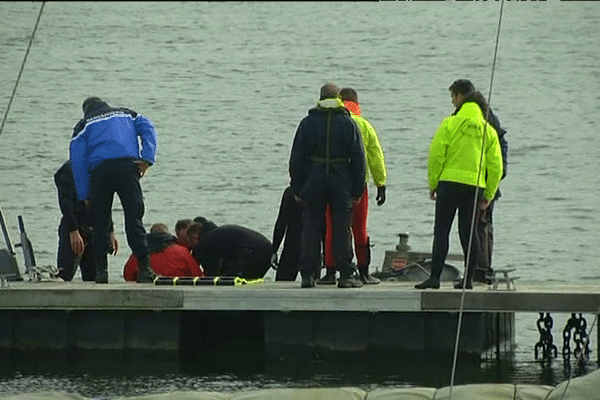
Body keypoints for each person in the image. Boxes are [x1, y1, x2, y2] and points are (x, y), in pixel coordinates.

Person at [415, 89, 503, 290]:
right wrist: (489, 193)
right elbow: (496, 166)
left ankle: (435, 278)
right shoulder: (488, 130)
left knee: (441, 231)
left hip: (448, 184)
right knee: (469, 232)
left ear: (462, 105)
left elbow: (436, 154)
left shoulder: (449, 123)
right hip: (474, 186)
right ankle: (468, 280)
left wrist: (434, 182)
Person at [69, 96, 157, 284]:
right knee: (134, 218)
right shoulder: (127, 114)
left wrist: (85, 194)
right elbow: (148, 127)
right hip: (127, 167)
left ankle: (102, 273)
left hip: (99, 171)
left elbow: (78, 162)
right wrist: (147, 159)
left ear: (86, 110)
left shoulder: (83, 125)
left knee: (100, 223)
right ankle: (144, 269)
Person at [289, 83, 366, 288]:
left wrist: (297, 187)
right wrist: (358, 188)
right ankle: (345, 275)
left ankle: (307, 275)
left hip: (314, 177)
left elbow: (297, 158)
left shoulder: (307, 123)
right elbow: (359, 158)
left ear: (320, 98)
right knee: (342, 227)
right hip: (341, 178)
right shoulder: (349, 123)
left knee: (311, 226)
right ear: (338, 98)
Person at [317, 87, 387, 285]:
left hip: (333, 184)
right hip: (358, 186)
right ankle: (364, 271)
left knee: (332, 227)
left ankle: (330, 271)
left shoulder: (331, 121)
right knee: (359, 228)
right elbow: (375, 155)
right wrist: (380, 183)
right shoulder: (364, 125)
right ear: (357, 104)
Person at [447, 79, 508, 283]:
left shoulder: (481, 118)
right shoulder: (486, 116)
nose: (453, 102)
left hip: (480, 182)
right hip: (483, 180)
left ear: (461, 96)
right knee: (481, 226)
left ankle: (480, 270)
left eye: (454, 97)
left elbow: (499, 149)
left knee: (478, 227)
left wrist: (495, 178)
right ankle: (480, 269)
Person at [54, 160, 119, 281]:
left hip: (96, 228)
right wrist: (73, 230)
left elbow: (105, 204)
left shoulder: (101, 168)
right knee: (65, 275)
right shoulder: (69, 170)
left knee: (95, 277)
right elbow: (65, 204)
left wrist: (110, 230)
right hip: (75, 227)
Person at [123, 223, 203, 281]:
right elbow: (197, 275)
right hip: (176, 289)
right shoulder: (182, 251)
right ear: (167, 234)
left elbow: (128, 276)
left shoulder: (139, 254)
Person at [189, 223, 272, 280]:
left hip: (253, 252)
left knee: (236, 280)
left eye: (191, 242)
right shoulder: (218, 233)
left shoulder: (205, 241)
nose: (191, 246)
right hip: (267, 249)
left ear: (195, 236)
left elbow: (210, 268)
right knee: (249, 282)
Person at [271, 185, 303, 281]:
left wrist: (274, 250)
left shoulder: (290, 193)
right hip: (313, 248)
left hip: (292, 246)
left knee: (282, 282)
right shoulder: (316, 192)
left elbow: (281, 222)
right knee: (313, 286)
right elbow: (323, 224)